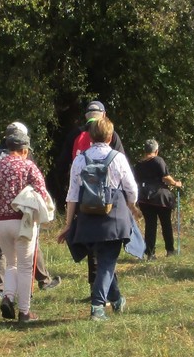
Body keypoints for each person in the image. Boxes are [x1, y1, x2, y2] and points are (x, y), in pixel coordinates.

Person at [57, 116, 140, 321]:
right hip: (114, 217)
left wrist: (68, 224)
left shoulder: (79, 160)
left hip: (87, 218)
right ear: (110, 137)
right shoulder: (117, 158)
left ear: (90, 137)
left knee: (104, 260)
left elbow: (72, 195)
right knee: (107, 262)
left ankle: (117, 299)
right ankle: (97, 307)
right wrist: (132, 206)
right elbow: (131, 189)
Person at [0, 122, 59, 297]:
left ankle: (3, 292)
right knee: (24, 263)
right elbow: (40, 191)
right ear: (24, 148)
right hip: (22, 218)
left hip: (0, 220)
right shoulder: (27, 164)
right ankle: (25, 302)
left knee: (8, 262)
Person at [52, 100, 126, 285]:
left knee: (92, 240)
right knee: (106, 243)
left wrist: (66, 189)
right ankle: (104, 289)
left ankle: (96, 286)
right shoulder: (111, 135)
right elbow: (121, 163)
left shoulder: (75, 135)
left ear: (86, 116)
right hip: (108, 197)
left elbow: (62, 165)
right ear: (104, 115)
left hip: (83, 195)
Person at [135, 139, 183, 260]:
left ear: (145, 150)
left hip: (145, 198)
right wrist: (176, 183)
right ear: (156, 151)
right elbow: (166, 177)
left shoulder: (139, 165)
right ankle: (170, 250)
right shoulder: (158, 160)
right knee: (166, 223)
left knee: (150, 225)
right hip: (160, 197)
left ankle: (150, 253)